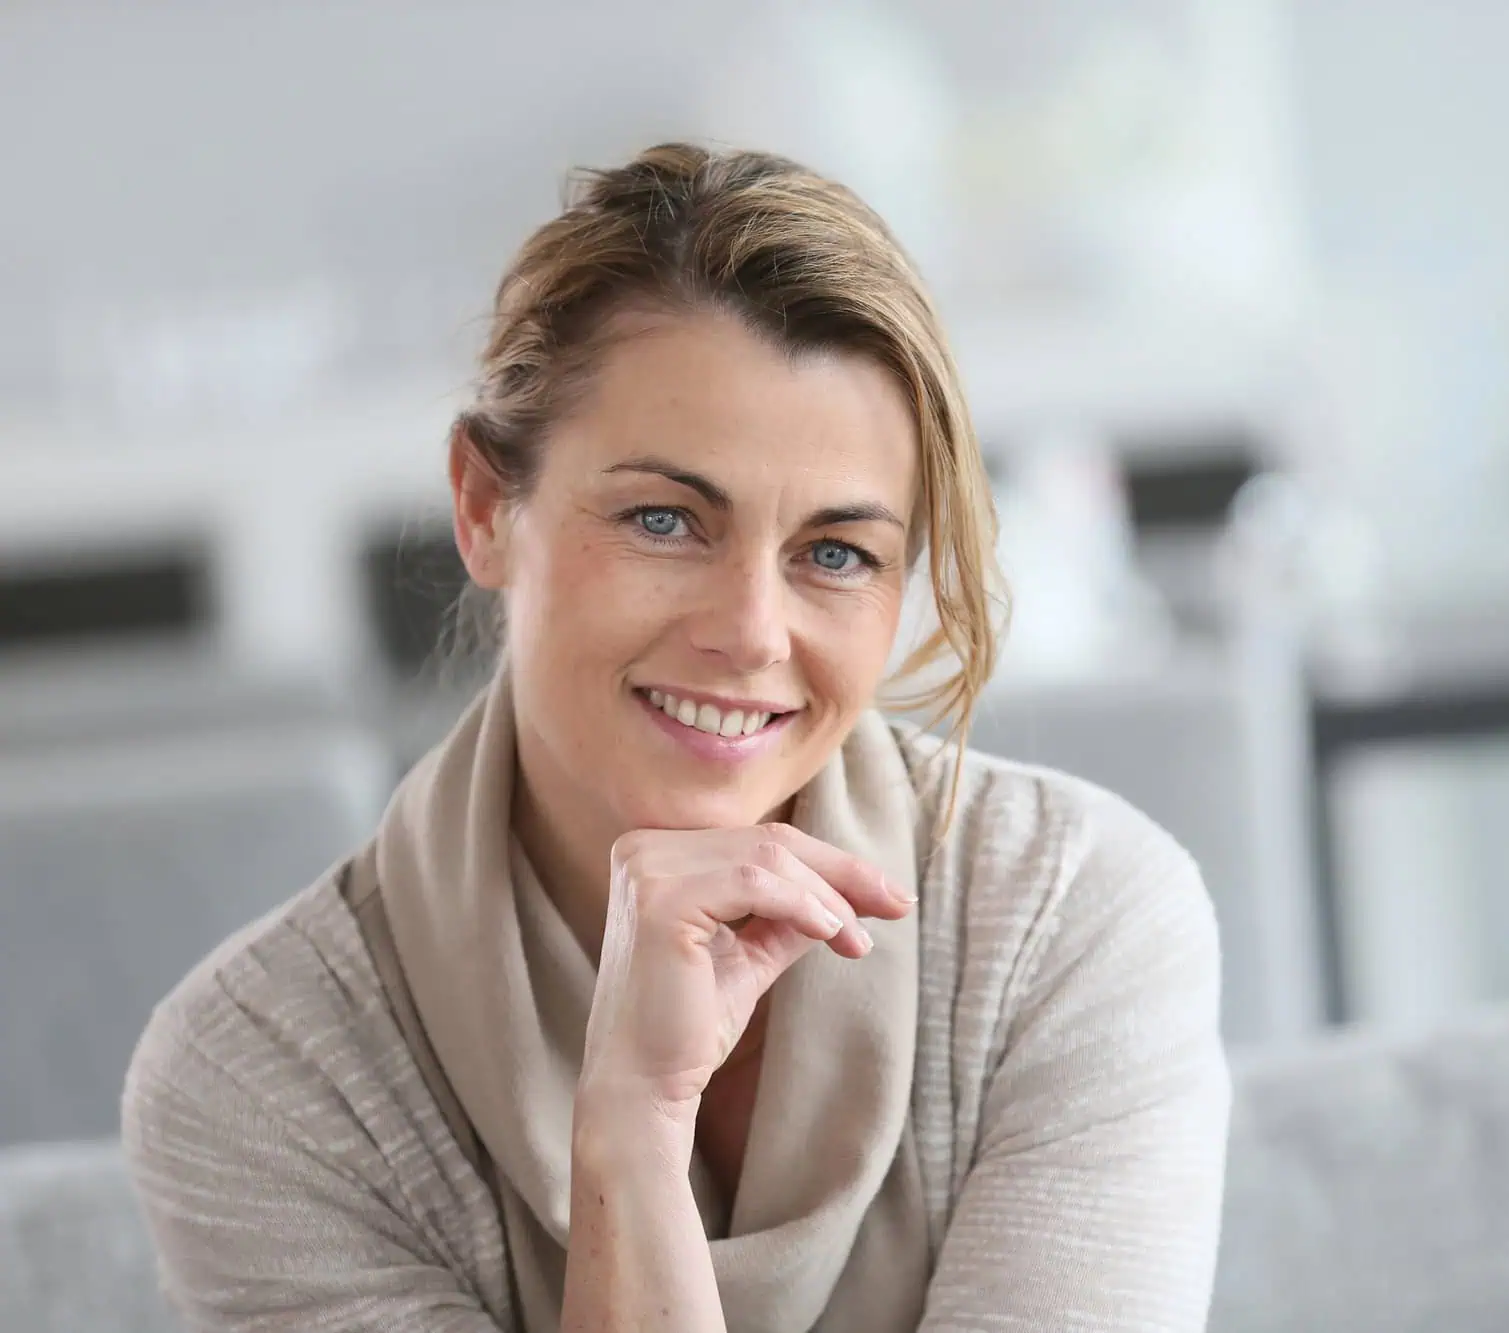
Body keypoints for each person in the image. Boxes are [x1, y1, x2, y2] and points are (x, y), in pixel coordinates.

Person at [122, 142, 1229, 1332]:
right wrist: (633, 1136)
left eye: (835, 553)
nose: (752, 632)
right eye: (665, 520)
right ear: (486, 508)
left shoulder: (1066, 921)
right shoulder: (264, 1080)